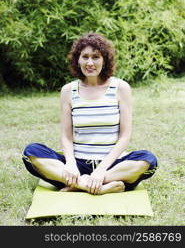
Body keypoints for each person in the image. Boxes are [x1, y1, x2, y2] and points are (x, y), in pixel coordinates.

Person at [22, 32, 157, 195]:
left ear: (105, 60)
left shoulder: (120, 88)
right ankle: (90, 185)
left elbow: (124, 136)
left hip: (112, 165)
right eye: (85, 57)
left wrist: (101, 171)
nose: (90, 62)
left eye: (96, 57)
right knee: (31, 152)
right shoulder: (68, 91)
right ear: (77, 60)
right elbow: (66, 136)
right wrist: (70, 165)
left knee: (148, 160)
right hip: (78, 166)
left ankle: (84, 183)